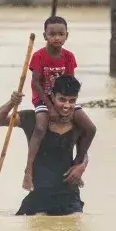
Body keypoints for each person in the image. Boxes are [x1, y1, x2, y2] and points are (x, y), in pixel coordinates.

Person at [0, 75, 97, 216]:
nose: (67, 106)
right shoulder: (33, 119)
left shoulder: (78, 124)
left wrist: (82, 166)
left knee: (75, 227)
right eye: (62, 99)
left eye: (72, 101)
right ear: (52, 97)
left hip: (69, 196)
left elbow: (84, 151)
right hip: (39, 195)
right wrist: (12, 102)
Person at [23, 15, 91, 191]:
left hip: (64, 99)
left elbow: (70, 83)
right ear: (45, 36)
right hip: (43, 98)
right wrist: (51, 106)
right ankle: (28, 171)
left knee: (90, 128)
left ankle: (78, 164)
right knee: (39, 128)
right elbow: (36, 83)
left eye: (61, 34)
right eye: (52, 34)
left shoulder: (69, 57)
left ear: (67, 36)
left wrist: (67, 107)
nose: (57, 38)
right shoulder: (39, 56)